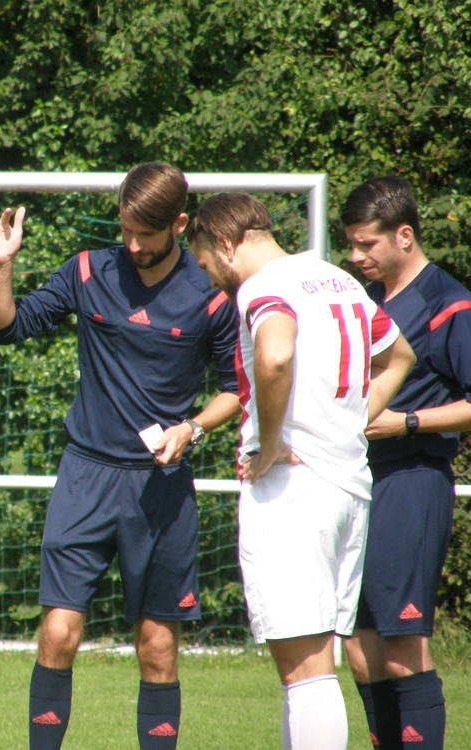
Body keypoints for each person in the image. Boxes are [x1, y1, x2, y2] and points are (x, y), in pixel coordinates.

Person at [0, 162, 242, 750]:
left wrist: (191, 429)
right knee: (57, 634)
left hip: (161, 486)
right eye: (126, 230)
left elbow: (234, 389)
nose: (134, 244)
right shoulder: (88, 271)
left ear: (180, 225)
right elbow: (6, 328)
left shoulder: (211, 294)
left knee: (158, 647)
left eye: (148, 233)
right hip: (85, 477)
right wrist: (2, 267)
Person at [187, 192, 415, 750]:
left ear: (225, 244)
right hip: (345, 485)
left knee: (306, 673)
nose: (209, 278)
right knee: (313, 669)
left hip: (295, 488)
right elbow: (400, 356)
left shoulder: (263, 286)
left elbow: (275, 356)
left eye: (205, 263)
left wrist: (268, 445)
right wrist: (350, 418)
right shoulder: (337, 279)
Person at [339, 176, 471, 750]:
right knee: (359, 648)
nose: (356, 256)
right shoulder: (360, 302)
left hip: (412, 478)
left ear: (405, 236)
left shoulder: (450, 303)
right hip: (354, 482)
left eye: (366, 244)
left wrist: (409, 421)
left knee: (401, 648)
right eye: (351, 244)